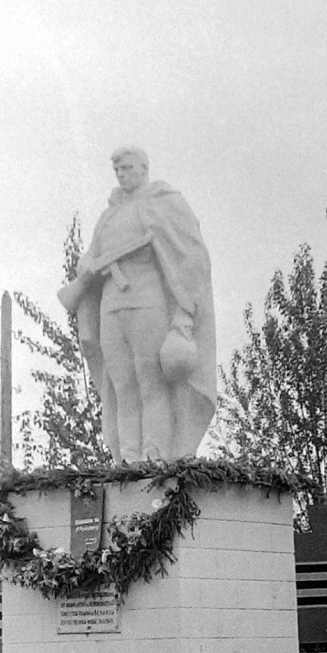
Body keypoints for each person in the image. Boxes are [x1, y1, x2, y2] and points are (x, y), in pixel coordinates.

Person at [57, 146, 216, 463]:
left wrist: (183, 317)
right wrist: (87, 266)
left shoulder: (163, 202)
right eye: (117, 170)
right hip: (111, 306)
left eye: (127, 168)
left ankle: (154, 455)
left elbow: (189, 260)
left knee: (150, 382)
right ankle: (127, 458)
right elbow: (91, 256)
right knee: (122, 386)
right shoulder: (110, 215)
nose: (121, 175)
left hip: (147, 301)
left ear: (144, 168)